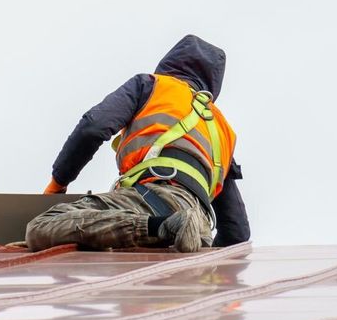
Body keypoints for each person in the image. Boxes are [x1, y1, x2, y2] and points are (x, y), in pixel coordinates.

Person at [25, 35, 250, 252]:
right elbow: (236, 231)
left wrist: (58, 183)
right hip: (199, 225)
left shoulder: (152, 85)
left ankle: (161, 227)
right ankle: (172, 228)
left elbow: (93, 128)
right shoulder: (222, 128)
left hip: (152, 198)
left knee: (41, 227)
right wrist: (206, 256)